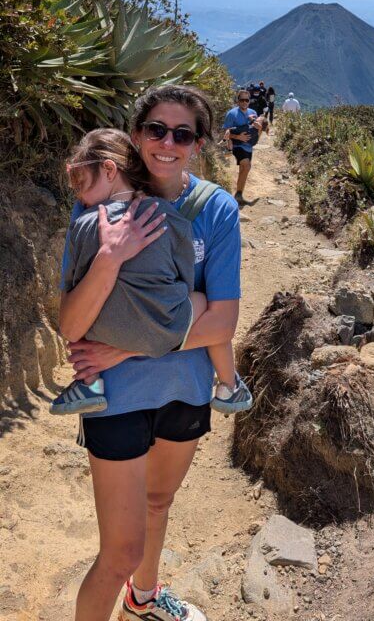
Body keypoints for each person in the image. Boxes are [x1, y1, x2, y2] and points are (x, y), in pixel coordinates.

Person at [59, 84, 243, 621]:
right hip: (117, 400)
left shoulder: (215, 209)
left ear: (199, 144)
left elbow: (224, 320)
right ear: (136, 135)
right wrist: (111, 257)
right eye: (156, 129)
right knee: (119, 553)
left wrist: (120, 351)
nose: (168, 143)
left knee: (158, 504)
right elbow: (71, 325)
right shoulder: (98, 207)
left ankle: (143, 599)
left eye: (183, 134)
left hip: (184, 388)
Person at [51, 128, 251, 417]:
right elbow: (183, 271)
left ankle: (89, 384)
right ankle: (229, 386)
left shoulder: (83, 223)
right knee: (198, 299)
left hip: (102, 333)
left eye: (80, 185)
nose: (80, 198)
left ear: (109, 170)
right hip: (160, 325)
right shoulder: (163, 213)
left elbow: (74, 281)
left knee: (87, 310)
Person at [222, 89, 262, 207]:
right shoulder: (231, 114)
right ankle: (238, 195)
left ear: (249, 101)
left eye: (246, 100)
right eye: (242, 100)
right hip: (237, 145)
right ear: (238, 101)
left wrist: (258, 129)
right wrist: (238, 137)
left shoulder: (253, 112)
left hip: (248, 146)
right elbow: (226, 133)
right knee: (246, 165)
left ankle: (238, 196)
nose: (244, 102)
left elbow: (257, 130)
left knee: (244, 169)